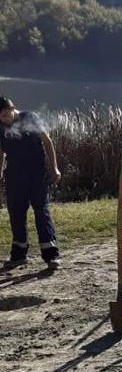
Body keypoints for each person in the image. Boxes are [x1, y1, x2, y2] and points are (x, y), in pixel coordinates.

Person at [0, 96, 62, 270]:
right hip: (14, 176)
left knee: (41, 211)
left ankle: (51, 254)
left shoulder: (30, 118)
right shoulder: (0, 127)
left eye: (7, 114)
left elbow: (47, 142)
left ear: (14, 108)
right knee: (16, 213)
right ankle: (19, 254)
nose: (6, 118)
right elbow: (1, 152)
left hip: (36, 174)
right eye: (2, 116)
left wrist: (54, 168)